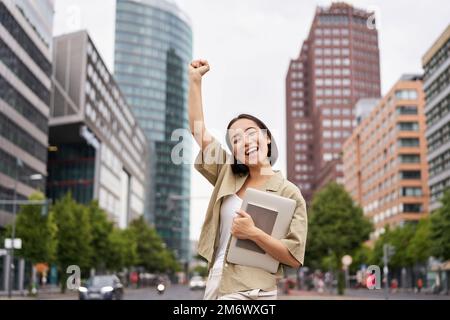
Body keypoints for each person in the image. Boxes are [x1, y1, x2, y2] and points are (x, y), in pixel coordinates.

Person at [188, 59, 308, 300]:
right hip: (217, 281)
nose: (245, 141)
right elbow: (198, 131)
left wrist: (254, 233)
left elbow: (293, 257)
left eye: (251, 133)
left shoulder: (289, 192)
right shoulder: (227, 174)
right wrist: (195, 81)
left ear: (266, 139)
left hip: (254, 289)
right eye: (236, 140)